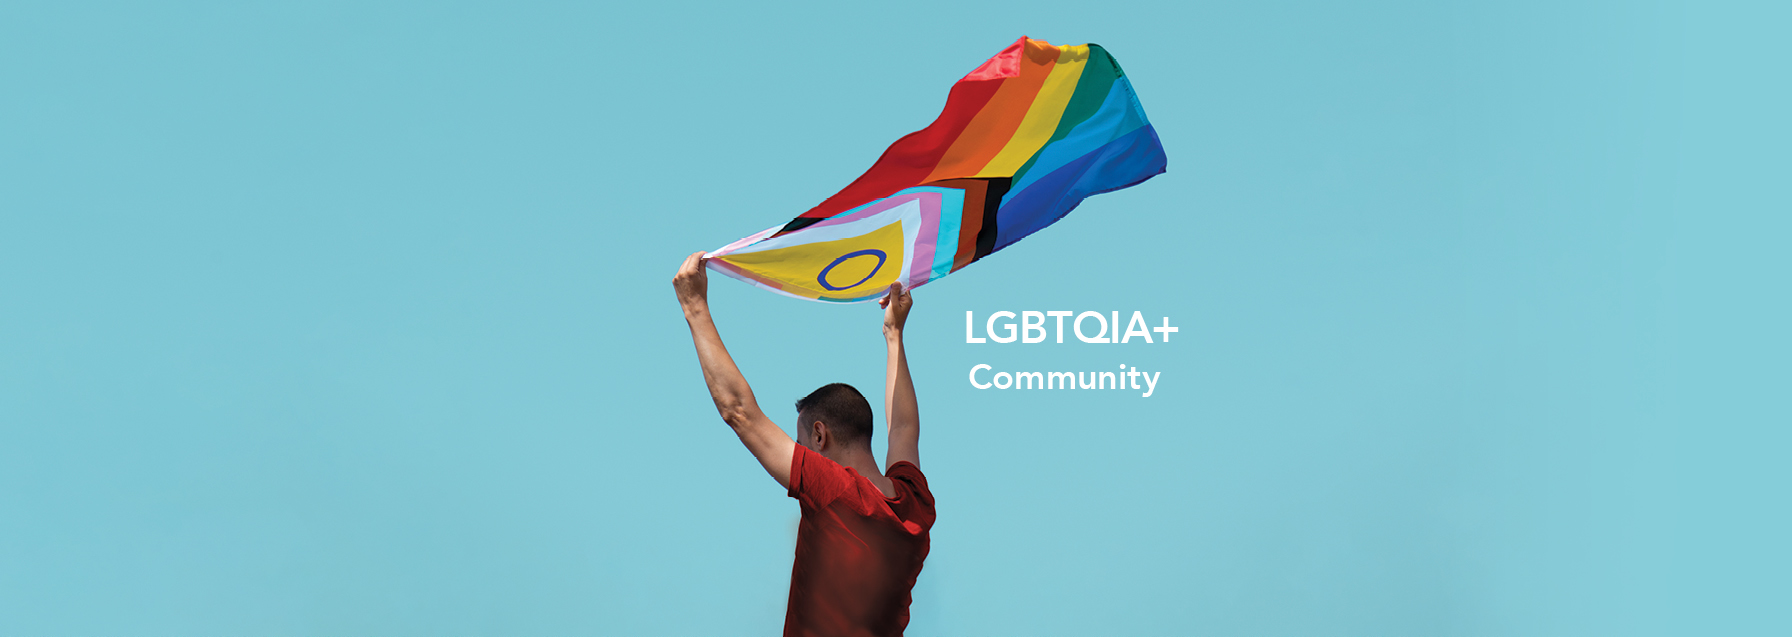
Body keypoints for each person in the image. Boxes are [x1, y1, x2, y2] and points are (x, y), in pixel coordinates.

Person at [673, 251, 935, 637]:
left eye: (801, 442)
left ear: (819, 434)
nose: (798, 452)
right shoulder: (914, 504)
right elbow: (903, 429)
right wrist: (894, 335)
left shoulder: (833, 491)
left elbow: (739, 413)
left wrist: (694, 307)